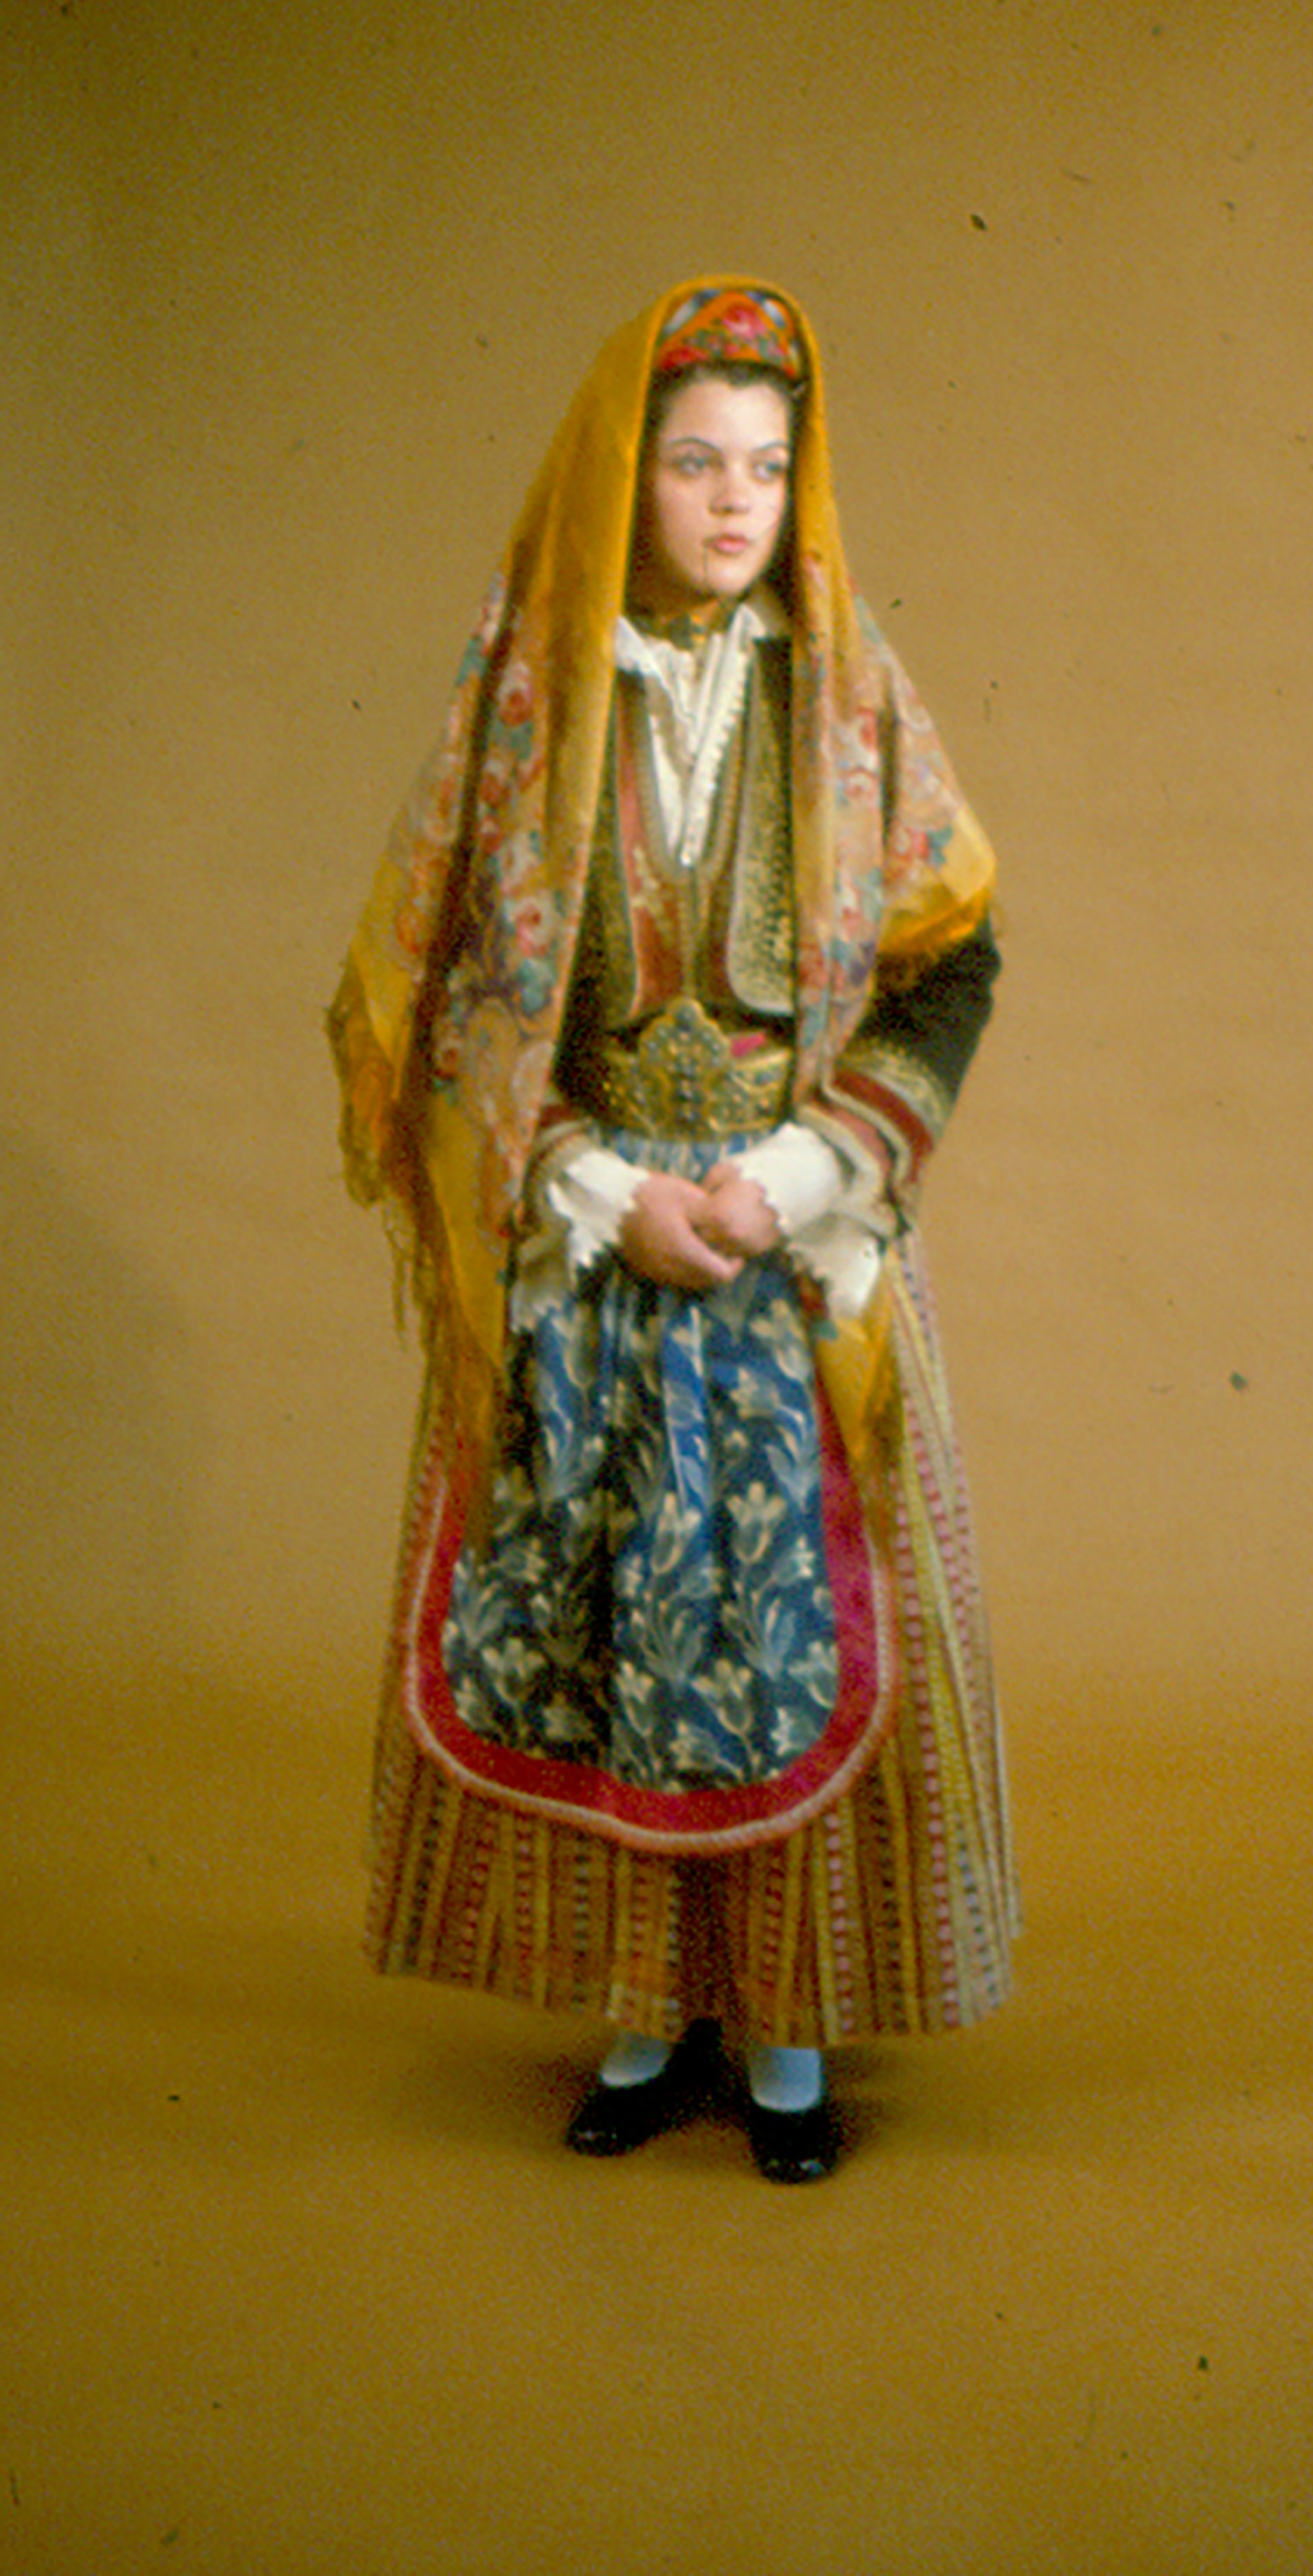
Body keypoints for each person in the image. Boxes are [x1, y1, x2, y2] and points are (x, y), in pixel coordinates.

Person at [329, 278, 1015, 2180]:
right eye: (696, 461)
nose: (733, 502)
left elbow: (954, 962)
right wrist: (597, 1187)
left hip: (793, 1252)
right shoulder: (533, 701)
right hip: (598, 1250)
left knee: (797, 1635)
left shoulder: (849, 696)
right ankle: (643, 2019)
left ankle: (785, 2039)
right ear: (625, 477)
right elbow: (453, 989)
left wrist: (797, 1176)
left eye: (767, 469)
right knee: (614, 1628)